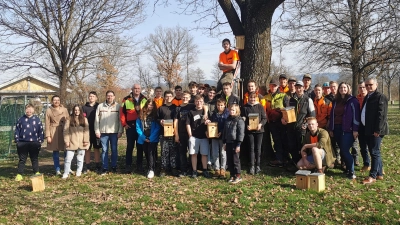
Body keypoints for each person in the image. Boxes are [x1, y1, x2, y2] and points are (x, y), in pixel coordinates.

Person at [328, 82, 360, 180]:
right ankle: (347, 169)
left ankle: (352, 171)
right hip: (337, 128)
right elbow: (332, 115)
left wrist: (355, 129)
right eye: (341, 87)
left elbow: (356, 115)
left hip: (348, 129)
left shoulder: (352, 100)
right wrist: (331, 128)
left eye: (344, 87)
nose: (343, 89)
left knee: (345, 150)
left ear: (348, 89)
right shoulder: (335, 101)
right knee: (342, 150)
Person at [282, 81, 315, 171]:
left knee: (302, 147)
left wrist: (305, 124)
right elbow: (286, 112)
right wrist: (283, 118)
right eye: (297, 87)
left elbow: (312, 115)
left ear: (303, 88)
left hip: (302, 128)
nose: (298, 89)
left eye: (300, 87)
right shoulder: (290, 100)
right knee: (292, 146)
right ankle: (295, 163)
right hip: (291, 127)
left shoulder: (308, 100)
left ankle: (304, 164)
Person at [361, 77, 388, 184]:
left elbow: (382, 115)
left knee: (374, 152)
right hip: (367, 129)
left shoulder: (380, 97)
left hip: (376, 130)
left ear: (376, 85)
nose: (368, 87)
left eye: (370, 85)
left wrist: (378, 130)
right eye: (366, 85)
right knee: (375, 151)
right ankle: (380, 173)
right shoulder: (367, 96)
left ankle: (372, 176)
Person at [120, 84, 147, 173]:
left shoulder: (144, 99)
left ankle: (139, 165)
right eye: (135, 88)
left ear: (140, 89)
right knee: (130, 147)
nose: (137, 90)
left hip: (141, 126)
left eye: (138, 88)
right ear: (132, 89)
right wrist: (124, 124)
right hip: (130, 126)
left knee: (140, 147)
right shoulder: (126, 99)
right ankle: (128, 166)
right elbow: (122, 113)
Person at [95, 90, 123, 175]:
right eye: (108, 95)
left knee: (114, 150)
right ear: (106, 96)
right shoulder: (100, 106)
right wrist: (97, 130)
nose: (109, 97)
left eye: (111, 96)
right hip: (103, 132)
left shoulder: (118, 106)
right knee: (104, 150)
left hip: (114, 132)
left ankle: (114, 166)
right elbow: (96, 120)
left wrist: (120, 131)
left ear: (114, 97)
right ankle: (105, 167)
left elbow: (120, 120)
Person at [14, 104, 44, 181]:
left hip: (34, 142)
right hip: (22, 142)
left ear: (33, 110)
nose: (29, 111)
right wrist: (17, 141)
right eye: (27, 109)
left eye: (30, 109)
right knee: (22, 159)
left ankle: (36, 172)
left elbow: (40, 131)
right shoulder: (21, 119)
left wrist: (40, 141)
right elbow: (17, 130)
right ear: (25, 110)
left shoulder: (37, 120)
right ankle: (19, 174)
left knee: (34, 158)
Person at [241, 92, 267, 175]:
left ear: (256, 98)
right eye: (250, 98)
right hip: (250, 131)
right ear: (248, 98)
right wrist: (246, 125)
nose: (252, 99)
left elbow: (264, 118)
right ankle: (252, 165)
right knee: (251, 148)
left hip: (259, 131)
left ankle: (258, 165)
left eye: (254, 98)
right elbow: (242, 118)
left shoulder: (260, 106)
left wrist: (260, 124)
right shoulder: (245, 107)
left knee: (258, 148)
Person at [186, 95, 211, 178]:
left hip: (204, 137)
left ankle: (205, 170)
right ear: (194, 102)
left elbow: (211, 123)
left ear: (203, 102)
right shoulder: (191, 112)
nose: (199, 103)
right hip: (194, 136)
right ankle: (194, 171)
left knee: (204, 154)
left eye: (200, 101)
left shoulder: (206, 111)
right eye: (197, 101)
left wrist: (208, 122)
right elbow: (188, 124)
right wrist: (190, 135)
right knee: (194, 154)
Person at [62, 105, 89, 179]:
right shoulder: (69, 119)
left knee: (80, 158)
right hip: (71, 141)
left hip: (81, 142)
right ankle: (66, 172)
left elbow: (86, 131)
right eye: (75, 110)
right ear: (73, 111)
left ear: (80, 111)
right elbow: (66, 131)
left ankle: (79, 171)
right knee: (68, 159)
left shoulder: (84, 119)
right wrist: (66, 141)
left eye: (78, 110)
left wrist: (86, 140)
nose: (77, 111)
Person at [264, 79, 287, 168]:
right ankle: (279, 159)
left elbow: (287, 108)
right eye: (271, 85)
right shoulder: (266, 97)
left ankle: (285, 158)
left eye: (275, 86)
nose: (273, 87)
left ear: (278, 86)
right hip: (272, 123)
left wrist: (284, 118)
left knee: (283, 140)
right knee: (276, 140)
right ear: (269, 86)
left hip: (281, 122)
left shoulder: (283, 95)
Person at [45, 95, 69, 175]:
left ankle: (67, 168)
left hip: (63, 130)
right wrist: (48, 136)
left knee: (66, 150)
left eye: (58, 100)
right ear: (52, 101)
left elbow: (68, 120)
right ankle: (57, 169)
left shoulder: (64, 109)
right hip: (53, 131)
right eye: (55, 100)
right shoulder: (48, 110)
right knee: (56, 151)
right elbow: (47, 124)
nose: (56, 101)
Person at [137, 99, 160, 179]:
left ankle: (151, 169)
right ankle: (150, 165)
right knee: (146, 152)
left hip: (152, 138)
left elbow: (157, 128)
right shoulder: (141, 114)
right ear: (146, 105)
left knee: (151, 152)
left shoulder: (156, 115)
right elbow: (138, 127)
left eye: (152, 105)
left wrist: (151, 138)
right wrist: (143, 137)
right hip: (143, 137)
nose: (150, 106)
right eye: (149, 104)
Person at [174, 91, 196, 177]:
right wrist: (176, 134)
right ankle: (183, 170)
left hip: (191, 133)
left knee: (192, 152)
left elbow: (204, 106)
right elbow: (175, 122)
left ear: (190, 98)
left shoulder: (192, 106)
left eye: (187, 97)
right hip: (181, 133)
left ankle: (191, 169)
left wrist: (205, 113)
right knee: (182, 152)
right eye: (183, 97)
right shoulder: (178, 108)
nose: (185, 99)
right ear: (181, 97)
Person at [223, 104, 245, 184]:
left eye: (233, 110)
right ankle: (232, 175)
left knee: (235, 160)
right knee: (229, 160)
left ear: (237, 111)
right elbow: (225, 131)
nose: (231, 111)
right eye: (230, 110)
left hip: (235, 142)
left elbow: (241, 133)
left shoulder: (239, 120)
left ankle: (238, 175)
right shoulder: (228, 119)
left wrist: (238, 144)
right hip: (228, 142)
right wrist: (224, 142)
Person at [158, 91, 178, 176]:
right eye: (167, 96)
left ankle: (173, 168)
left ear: (173, 97)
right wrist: (160, 121)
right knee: (164, 151)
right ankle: (163, 168)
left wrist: (176, 131)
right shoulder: (161, 108)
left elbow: (177, 120)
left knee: (173, 151)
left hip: (173, 133)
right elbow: (157, 118)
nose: (168, 98)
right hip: (163, 133)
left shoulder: (175, 108)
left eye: (170, 96)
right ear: (164, 97)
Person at [208, 98, 229, 178]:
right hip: (214, 136)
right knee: (215, 153)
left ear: (224, 105)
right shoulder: (214, 114)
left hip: (223, 137)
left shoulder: (227, 114)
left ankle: (223, 169)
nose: (220, 107)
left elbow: (227, 125)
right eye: (218, 105)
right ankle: (217, 169)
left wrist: (222, 132)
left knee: (223, 153)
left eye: (221, 105)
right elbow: (211, 124)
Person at [82, 91, 101, 173]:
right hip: (87, 131)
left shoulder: (99, 106)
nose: (91, 97)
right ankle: (87, 165)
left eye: (93, 96)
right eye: (90, 96)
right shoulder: (84, 107)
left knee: (96, 148)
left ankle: (97, 165)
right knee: (87, 149)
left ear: (96, 98)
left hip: (97, 131)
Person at [356, 81, 370, 172]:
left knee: (373, 148)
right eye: (360, 87)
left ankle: (378, 166)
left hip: (370, 125)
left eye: (363, 87)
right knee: (363, 146)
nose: (362, 89)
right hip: (360, 125)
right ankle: (366, 164)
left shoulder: (370, 98)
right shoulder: (356, 99)